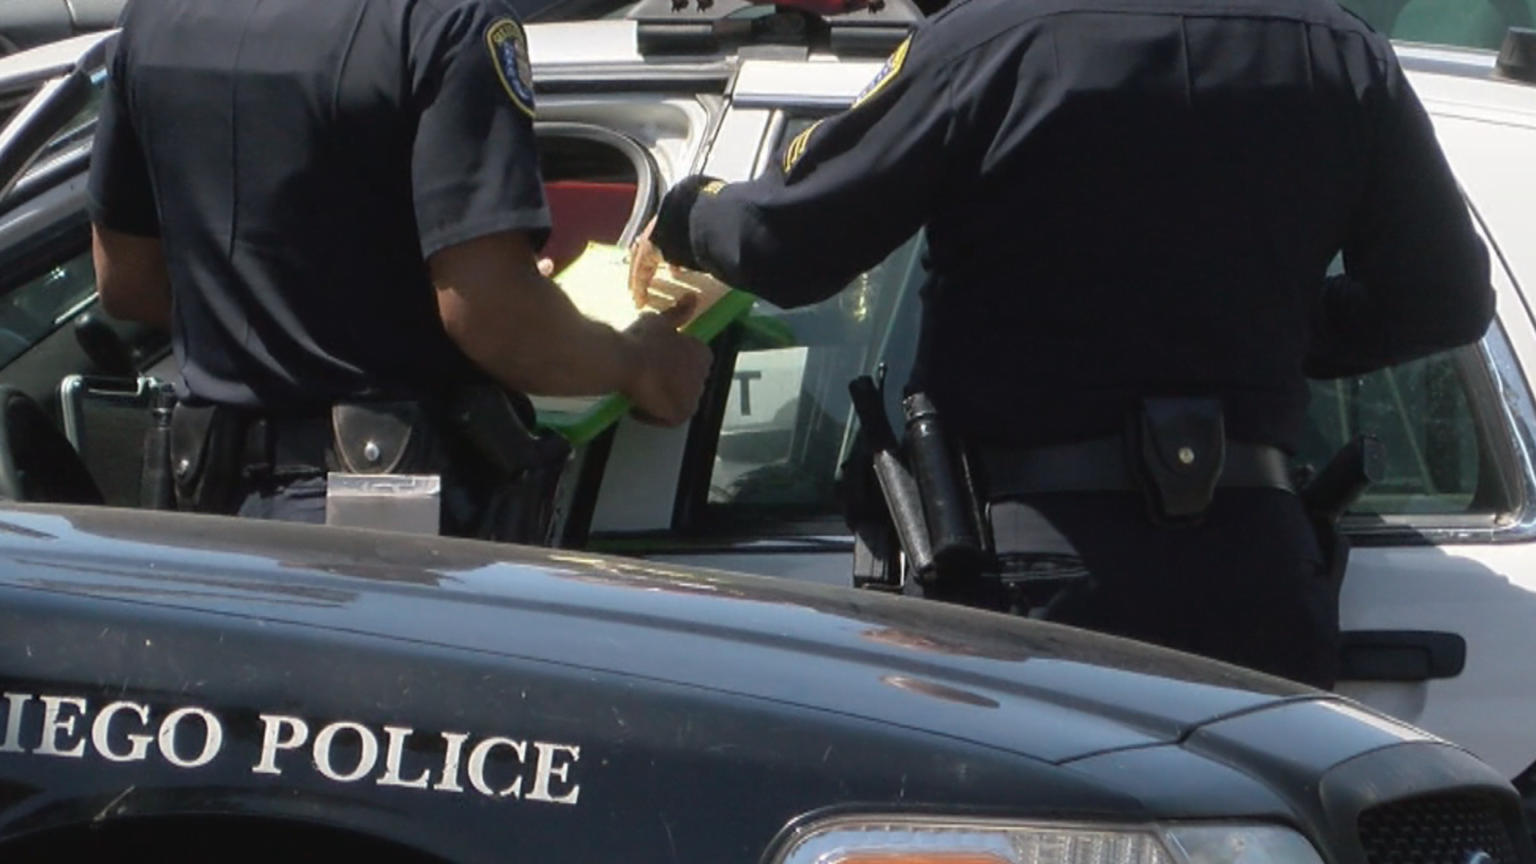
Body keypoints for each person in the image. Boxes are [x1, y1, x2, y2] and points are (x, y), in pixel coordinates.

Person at [629, 0, 1495, 688]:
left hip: (1032, 571)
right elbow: (1443, 300)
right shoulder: (1337, 50)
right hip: (1259, 570)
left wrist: (686, 214)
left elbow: (787, 244)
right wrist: (1270, 330)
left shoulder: (994, 41)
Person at [88, 0, 713, 539]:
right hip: (379, 524)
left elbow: (127, 283)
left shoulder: (156, 21)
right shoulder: (440, 24)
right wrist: (642, 363)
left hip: (206, 512)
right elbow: (496, 321)